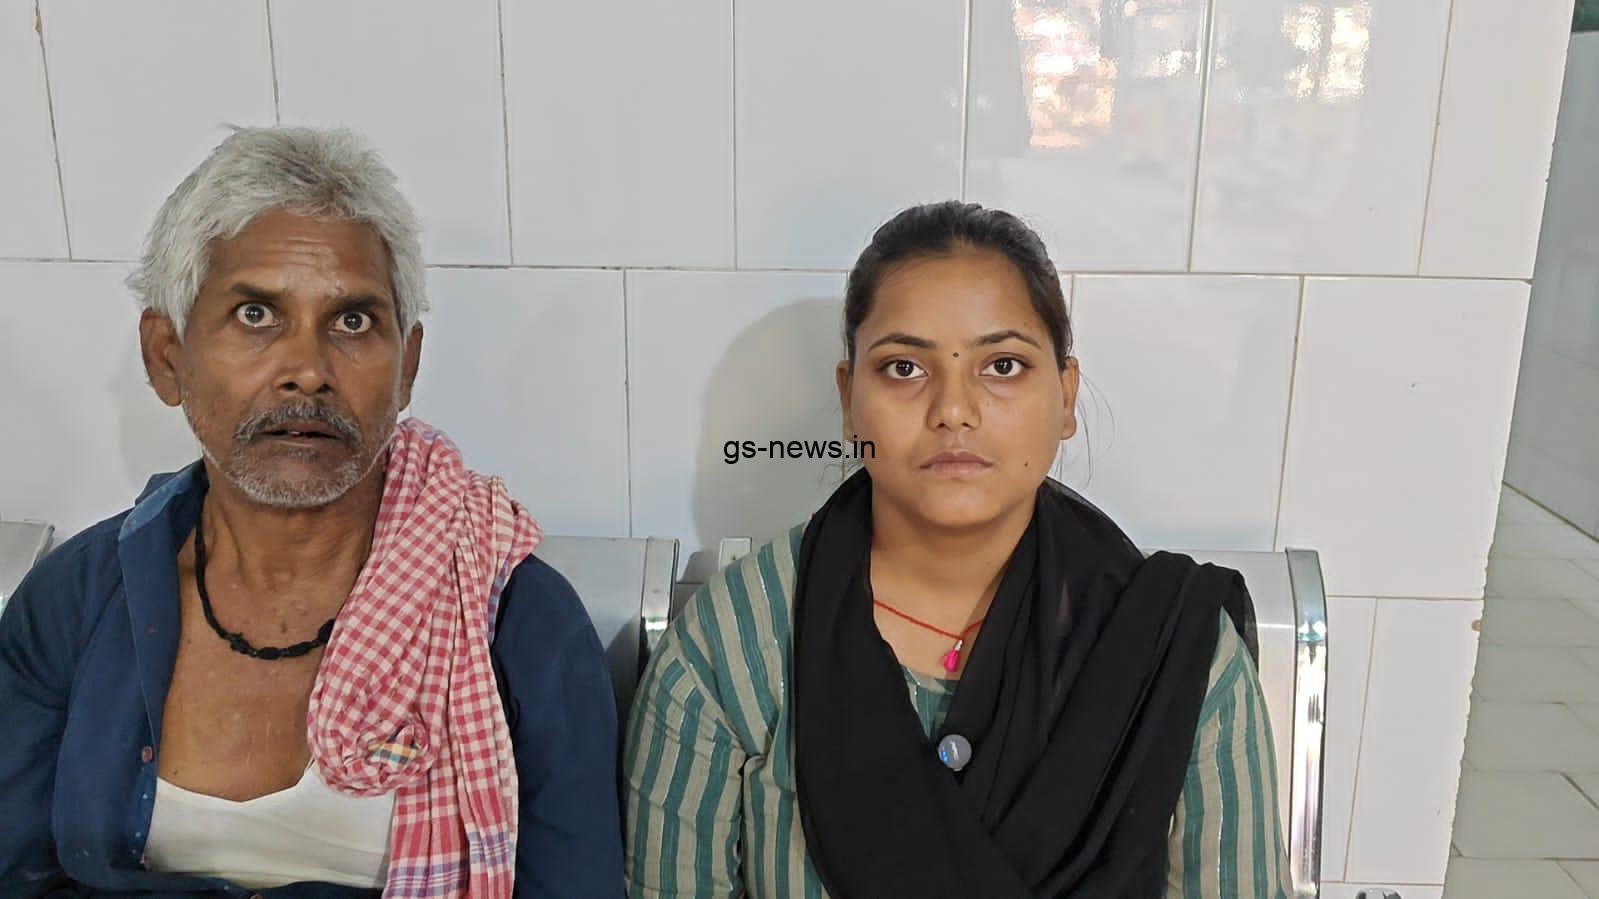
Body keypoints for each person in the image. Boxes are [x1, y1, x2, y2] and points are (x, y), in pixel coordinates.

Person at [0, 126, 623, 899]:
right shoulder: (76, 604)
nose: (307, 370)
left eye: (353, 322)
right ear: (168, 357)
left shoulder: (514, 625)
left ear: (406, 368)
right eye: (255, 314)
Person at [624, 201, 1292, 897]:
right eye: (903, 368)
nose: (952, 409)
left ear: (1065, 397)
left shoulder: (1177, 660)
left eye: (1002, 364)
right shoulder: (734, 648)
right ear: (849, 400)